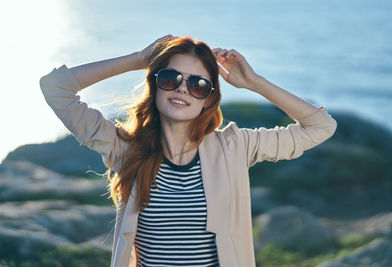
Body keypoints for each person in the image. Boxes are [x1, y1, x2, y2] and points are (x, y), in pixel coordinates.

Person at [39, 34, 337, 267]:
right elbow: (55, 87)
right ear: (155, 86)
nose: (183, 89)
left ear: (208, 99)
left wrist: (253, 83)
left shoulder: (235, 146)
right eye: (170, 79)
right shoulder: (125, 149)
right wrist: (139, 58)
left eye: (198, 85)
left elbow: (320, 127)